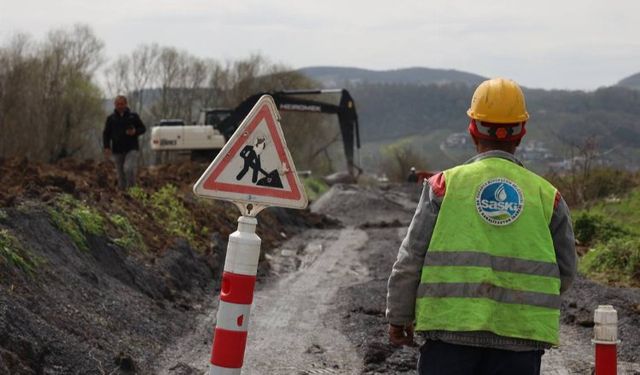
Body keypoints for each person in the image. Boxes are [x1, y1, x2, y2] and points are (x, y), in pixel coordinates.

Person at [386, 78, 577, 375]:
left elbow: (410, 260)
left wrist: (399, 317)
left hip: (449, 335)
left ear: (472, 128)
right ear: (521, 133)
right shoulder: (547, 196)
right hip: (520, 341)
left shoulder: (443, 187)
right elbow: (565, 271)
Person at [103, 95, 146, 190]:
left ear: (126, 104)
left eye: (122, 104)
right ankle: (123, 194)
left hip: (131, 148)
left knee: (128, 168)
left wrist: (135, 131)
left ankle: (132, 190)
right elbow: (106, 134)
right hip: (117, 150)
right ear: (115, 105)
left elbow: (143, 128)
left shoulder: (133, 116)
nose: (120, 106)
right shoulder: (111, 119)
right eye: (118, 104)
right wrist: (106, 147)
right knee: (120, 174)